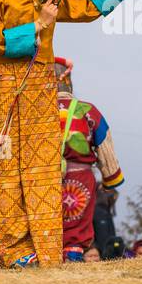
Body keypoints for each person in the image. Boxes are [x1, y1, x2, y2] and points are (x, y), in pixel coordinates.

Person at [0, 0, 128, 269]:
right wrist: (40, 26)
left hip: (42, 86)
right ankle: (13, 251)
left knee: (43, 167)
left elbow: (88, 7)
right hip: (8, 86)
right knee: (9, 167)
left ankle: (45, 250)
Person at [55, 56, 125, 259]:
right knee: (75, 233)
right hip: (79, 182)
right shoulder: (87, 111)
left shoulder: (34, 113)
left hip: (41, 181)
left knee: (44, 226)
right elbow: (104, 143)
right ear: (68, 80)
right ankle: (72, 260)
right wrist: (111, 178)